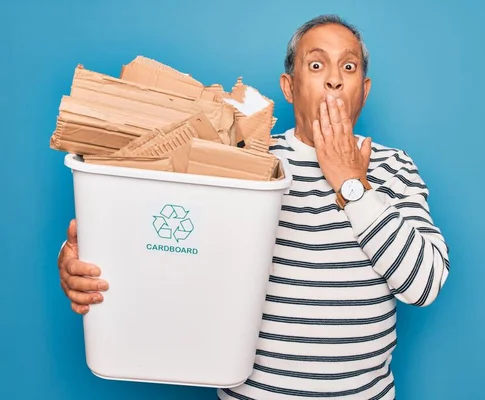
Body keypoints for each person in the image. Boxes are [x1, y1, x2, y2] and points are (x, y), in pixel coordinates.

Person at [57, 14, 450, 400]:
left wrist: (352, 184)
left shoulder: (393, 166)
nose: (333, 78)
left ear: (363, 90)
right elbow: (166, 236)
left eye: (348, 66)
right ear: (289, 86)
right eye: (316, 65)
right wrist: (81, 258)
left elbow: (424, 284)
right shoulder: (244, 157)